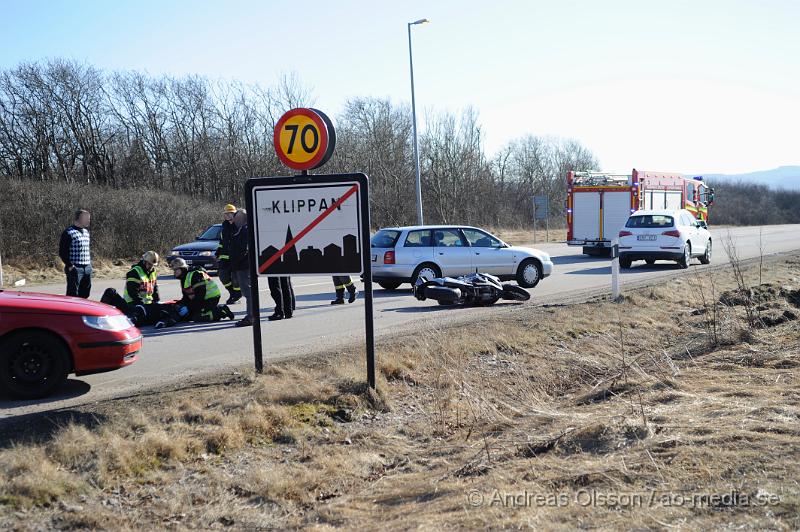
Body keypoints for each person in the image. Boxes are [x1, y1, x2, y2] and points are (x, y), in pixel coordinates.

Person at [101, 251, 173, 326]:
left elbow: (155, 288)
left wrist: (156, 302)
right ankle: (98, 315)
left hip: (146, 306)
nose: (151, 267)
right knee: (110, 292)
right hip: (132, 304)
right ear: (144, 262)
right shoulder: (135, 272)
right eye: (149, 264)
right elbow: (132, 292)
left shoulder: (153, 272)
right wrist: (141, 305)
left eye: (152, 265)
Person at [170, 258, 234, 323]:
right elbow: (187, 296)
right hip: (201, 299)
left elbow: (200, 295)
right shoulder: (184, 278)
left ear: (182, 268)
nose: (174, 272)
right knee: (187, 317)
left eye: (175, 270)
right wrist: (180, 304)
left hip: (210, 298)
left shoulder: (195, 275)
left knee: (198, 317)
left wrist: (189, 307)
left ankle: (221, 311)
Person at [59, 209, 92, 298]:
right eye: (87, 218)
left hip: (87, 267)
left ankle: (83, 311)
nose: (89, 220)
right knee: (73, 294)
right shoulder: (68, 232)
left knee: (85, 293)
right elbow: (62, 252)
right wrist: (70, 265)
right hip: (75, 268)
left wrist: (89, 266)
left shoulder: (86, 232)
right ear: (79, 218)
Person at [228, 210, 254, 327]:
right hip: (240, 266)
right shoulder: (238, 229)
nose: (234, 220)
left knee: (249, 293)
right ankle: (251, 316)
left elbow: (244, 249)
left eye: (237, 218)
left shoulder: (245, 230)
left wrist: (236, 261)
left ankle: (251, 317)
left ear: (243, 219)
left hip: (244, 266)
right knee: (247, 292)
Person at [215, 203, 242, 305]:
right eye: (225, 214)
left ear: (234, 214)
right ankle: (232, 293)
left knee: (236, 278)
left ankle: (237, 294)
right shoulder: (224, 226)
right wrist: (218, 251)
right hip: (225, 256)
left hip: (236, 257)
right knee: (223, 276)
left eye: (229, 213)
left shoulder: (239, 225)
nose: (227, 216)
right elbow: (222, 242)